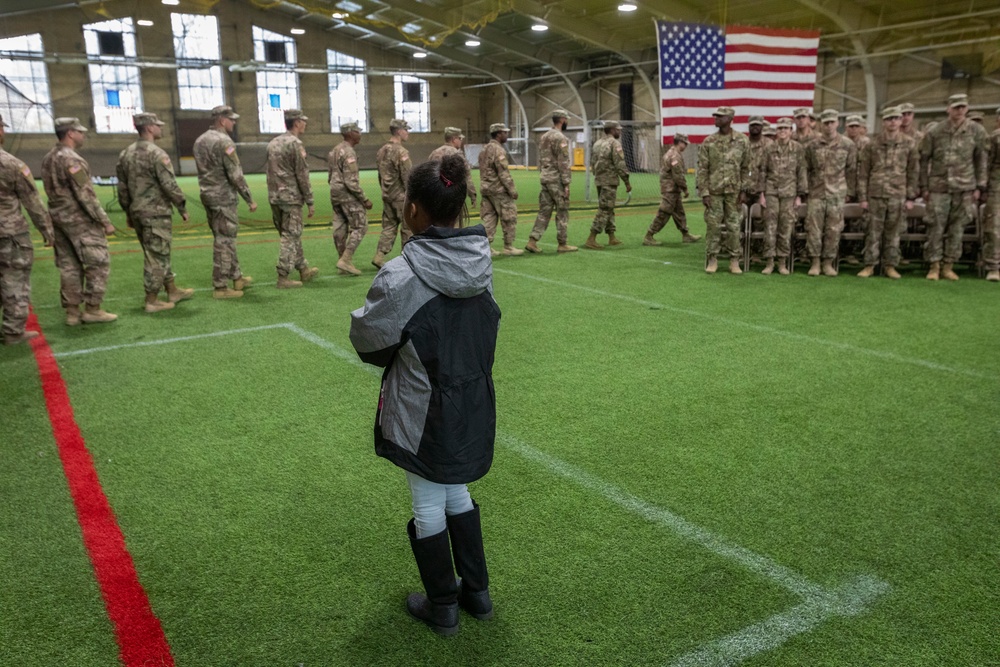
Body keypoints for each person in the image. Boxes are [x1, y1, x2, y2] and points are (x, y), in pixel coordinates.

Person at [349, 152, 500, 637]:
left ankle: (443, 606)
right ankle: (476, 593)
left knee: (427, 499)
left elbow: (368, 340)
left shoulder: (402, 273)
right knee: (453, 484)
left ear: (413, 210)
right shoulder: (480, 260)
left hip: (422, 406)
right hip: (472, 400)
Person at [41, 118, 117, 325]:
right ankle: (93, 309)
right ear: (71, 134)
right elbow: (85, 194)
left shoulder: (48, 158)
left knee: (69, 266)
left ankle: (72, 313)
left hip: (58, 220)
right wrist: (104, 221)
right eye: (80, 132)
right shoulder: (72, 160)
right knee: (98, 262)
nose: (83, 135)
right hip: (79, 220)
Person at [116, 112, 193, 313]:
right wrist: (182, 206)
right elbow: (169, 184)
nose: (160, 128)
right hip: (155, 212)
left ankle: (172, 290)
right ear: (149, 128)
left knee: (157, 252)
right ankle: (152, 300)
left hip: (137, 212)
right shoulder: (157, 154)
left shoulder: (126, 154)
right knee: (157, 256)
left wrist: (128, 212)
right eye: (157, 125)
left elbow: (122, 189)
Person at [919, 94, 989, 281]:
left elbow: (981, 159)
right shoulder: (935, 132)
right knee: (935, 227)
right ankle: (934, 265)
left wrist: (980, 186)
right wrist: (924, 186)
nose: (959, 110)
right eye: (956, 107)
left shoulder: (977, 130)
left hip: (965, 187)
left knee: (957, 228)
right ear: (948, 108)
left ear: (966, 109)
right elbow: (924, 160)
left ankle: (949, 265)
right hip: (938, 187)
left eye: (962, 107)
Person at [0, 112, 55, 345]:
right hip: (9, 233)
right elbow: (32, 201)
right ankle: (13, 331)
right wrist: (46, 230)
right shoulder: (11, 164)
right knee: (14, 279)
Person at [193, 105, 257, 299]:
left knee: (224, 237)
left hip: (207, 195)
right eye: (231, 119)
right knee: (225, 240)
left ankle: (236, 277)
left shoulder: (200, 140)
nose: (234, 122)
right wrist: (249, 198)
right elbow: (235, 174)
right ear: (222, 120)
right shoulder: (224, 142)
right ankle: (220, 287)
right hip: (223, 198)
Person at [856, 106, 919, 280]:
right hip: (875, 194)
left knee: (894, 232)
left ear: (901, 121)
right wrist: (862, 197)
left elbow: (913, 171)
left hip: (898, 194)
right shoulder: (872, 144)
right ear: (883, 122)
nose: (893, 122)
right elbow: (863, 173)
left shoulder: (909, 143)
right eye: (889, 119)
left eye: (896, 118)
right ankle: (870, 265)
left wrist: (911, 196)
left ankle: (890, 265)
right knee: (873, 231)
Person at [266, 109, 318, 288]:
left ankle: (303, 268)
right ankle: (283, 277)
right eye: (303, 121)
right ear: (296, 123)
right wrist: (310, 200)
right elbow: (302, 175)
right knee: (290, 235)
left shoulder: (273, 143)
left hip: (275, 197)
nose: (305, 124)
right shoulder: (295, 144)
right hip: (291, 198)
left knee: (290, 233)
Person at [803, 109, 857, 276]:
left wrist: (850, 191)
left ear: (837, 123)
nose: (828, 126)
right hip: (816, 193)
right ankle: (815, 262)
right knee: (814, 229)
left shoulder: (848, 145)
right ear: (821, 124)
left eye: (832, 122)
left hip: (837, 193)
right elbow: (806, 169)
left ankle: (828, 262)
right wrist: (805, 190)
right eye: (825, 122)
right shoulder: (812, 145)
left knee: (834, 229)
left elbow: (851, 170)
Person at [696, 106, 750, 273]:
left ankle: (735, 260)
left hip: (734, 192)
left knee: (734, 226)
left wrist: (744, 190)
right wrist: (704, 193)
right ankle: (712, 259)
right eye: (715, 116)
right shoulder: (709, 142)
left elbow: (746, 167)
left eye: (720, 117)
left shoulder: (742, 141)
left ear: (729, 119)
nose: (716, 119)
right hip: (714, 192)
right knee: (713, 226)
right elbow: (702, 169)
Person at [758, 118, 807, 275]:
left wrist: (800, 195)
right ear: (776, 131)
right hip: (771, 192)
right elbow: (762, 171)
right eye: (780, 128)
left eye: (786, 128)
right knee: (770, 227)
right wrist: (761, 194)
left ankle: (782, 262)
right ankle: (769, 262)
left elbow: (801, 171)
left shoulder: (798, 149)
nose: (782, 131)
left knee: (786, 227)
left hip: (790, 193)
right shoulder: (768, 148)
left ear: (791, 131)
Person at [525, 109, 577, 254]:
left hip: (545, 178)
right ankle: (562, 243)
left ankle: (532, 241)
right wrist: (566, 183)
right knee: (562, 211)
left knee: (544, 212)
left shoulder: (544, 136)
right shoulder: (560, 138)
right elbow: (563, 162)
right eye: (566, 119)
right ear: (562, 120)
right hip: (556, 179)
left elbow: (542, 159)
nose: (567, 122)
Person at [328, 122, 374, 276]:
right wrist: (364, 198)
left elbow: (330, 176)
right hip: (347, 193)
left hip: (335, 193)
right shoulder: (348, 152)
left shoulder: (334, 150)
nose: (360, 134)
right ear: (350, 134)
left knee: (340, 228)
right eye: (357, 131)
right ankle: (346, 259)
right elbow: (350, 181)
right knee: (361, 226)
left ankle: (342, 262)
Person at [644, 133, 699, 245]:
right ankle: (649, 235)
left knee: (679, 212)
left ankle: (685, 234)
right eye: (685, 143)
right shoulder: (674, 156)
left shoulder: (672, 153)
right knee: (664, 212)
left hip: (673, 189)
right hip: (670, 189)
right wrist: (685, 189)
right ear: (680, 143)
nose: (686, 146)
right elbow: (678, 175)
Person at [585, 120, 631, 250]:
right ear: (612, 130)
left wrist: (598, 175)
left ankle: (611, 236)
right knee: (605, 209)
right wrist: (626, 181)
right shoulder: (614, 143)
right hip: (609, 181)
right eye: (618, 129)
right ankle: (591, 238)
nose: (620, 131)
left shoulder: (597, 143)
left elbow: (593, 162)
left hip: (599, 180)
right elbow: (620, 164)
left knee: (608, 208)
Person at [372, 119, 412, 269]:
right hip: (401, 197)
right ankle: (407, 258)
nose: (408, 132)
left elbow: (380, 175)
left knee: (389, 226)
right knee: (408, 227)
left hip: (387, 194)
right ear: (399, 131)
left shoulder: (381, 150)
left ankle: (379, 255)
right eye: (406, 130)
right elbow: (407, 176)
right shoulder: (401, 152)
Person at [479, 122, 522, 256]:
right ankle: (508, 246)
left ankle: (486, 247)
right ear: (498, 134)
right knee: (509, 216)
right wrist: (512, 190)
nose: (507, 135)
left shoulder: (484, 149)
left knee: (489, 218)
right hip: (498, 190)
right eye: (505, 132)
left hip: (486, 189)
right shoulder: (498, 150)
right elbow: (503, 173)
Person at [428, 127, 477, 208]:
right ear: (454, 139)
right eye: (460, 138)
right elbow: (466, 176)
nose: (461, 141)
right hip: (453, 195)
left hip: (437, 195)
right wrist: (472, 195)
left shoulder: (434, 153)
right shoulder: (456, 154)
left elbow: (429, 175)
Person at [985, 106, 1000, 283]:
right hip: (997, 187)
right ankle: (993, 267)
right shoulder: (995, 138)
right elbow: (986, 165)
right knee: (994, 227)